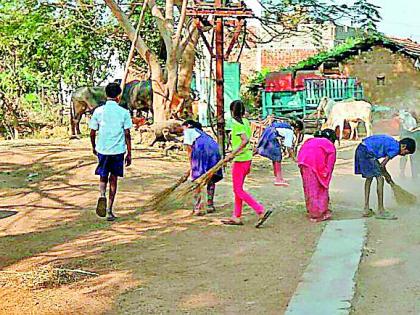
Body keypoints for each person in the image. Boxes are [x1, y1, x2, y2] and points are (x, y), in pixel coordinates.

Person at [222, 100, 272, 227]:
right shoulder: (246, 122)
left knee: (237, 189)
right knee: (238, 189)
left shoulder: (236, 124)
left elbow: (244, 140)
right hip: (247, 159)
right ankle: (236, 216)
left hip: (240, 160)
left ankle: (260, 210)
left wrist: (232, 154)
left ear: (232, 111)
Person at [89, 82, 133, 221]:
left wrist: (94, 146)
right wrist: (129, 152)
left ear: (105, 94)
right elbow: (127, 134)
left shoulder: (98, 111)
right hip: (117, 150)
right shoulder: (124, 112)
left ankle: (102, 194)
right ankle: (109, 210)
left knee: (103, 175)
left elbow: (92, 131)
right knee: (113, 178)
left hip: (103, 148)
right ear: (119, 96)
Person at [355, 134, 416, 220]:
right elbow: (382, 166)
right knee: (380, 179)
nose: (404, 155)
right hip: (367, 152)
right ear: (403, 146)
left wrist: (388, 177)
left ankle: (366, 209)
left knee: (369, 178)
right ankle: (381, 210)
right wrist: (389, 178)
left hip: (361, 149)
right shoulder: (396, 149)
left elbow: (380, 166)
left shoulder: (393, 143)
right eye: (406, 152)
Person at [182, 120, 223, 216]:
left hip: (202, 152)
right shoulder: (203, 134)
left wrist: (192, 167)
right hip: (215, 151)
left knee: (197, 180)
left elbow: (189, 150)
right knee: (211, 177)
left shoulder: (189, 131)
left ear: (188, 125)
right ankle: (210, 204)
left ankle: (197, 207)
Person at [297, 129, 337, 222]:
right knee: (318, 188)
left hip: (303, 161)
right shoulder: (329, 145)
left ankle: (310, 209)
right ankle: (317, 214)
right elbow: (330, 165)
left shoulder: (310, 140)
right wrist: (326, 178)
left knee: (308, 187)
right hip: (314, 164)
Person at [256, 120, 304, 186]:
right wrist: (294, 158)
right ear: (297, 129)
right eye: (298, 132)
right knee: (277, 156)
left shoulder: (286, 126)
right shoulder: (290, 132)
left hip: (268, 132)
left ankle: (278, 176)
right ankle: (278, 179)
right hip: (271, 135)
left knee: (274, 155)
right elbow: (288, 147)